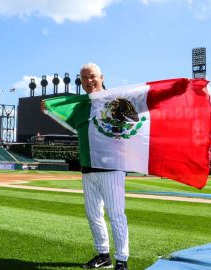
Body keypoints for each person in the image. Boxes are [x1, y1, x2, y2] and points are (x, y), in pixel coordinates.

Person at [79, 63, 129, 270]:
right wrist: (49, 109)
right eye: (83, 78)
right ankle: (103, 255)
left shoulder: (115, 101)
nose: (88, 81)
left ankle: (122, 260)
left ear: (102, 77)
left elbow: (132, 122)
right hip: (88, 166)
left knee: (116, 214)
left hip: (111, 166)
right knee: (93, 214)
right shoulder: (81, 105)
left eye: (92, 76)